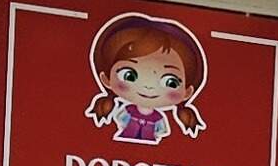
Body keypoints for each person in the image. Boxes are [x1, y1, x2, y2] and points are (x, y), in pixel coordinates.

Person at [85, 14, 209, 146]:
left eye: (171, 82)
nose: (148, 87)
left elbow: (162, 131)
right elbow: (120, 121)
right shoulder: (128, 111)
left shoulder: (158, 118)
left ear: (187, 91)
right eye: (129, 76)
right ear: (106, 78)